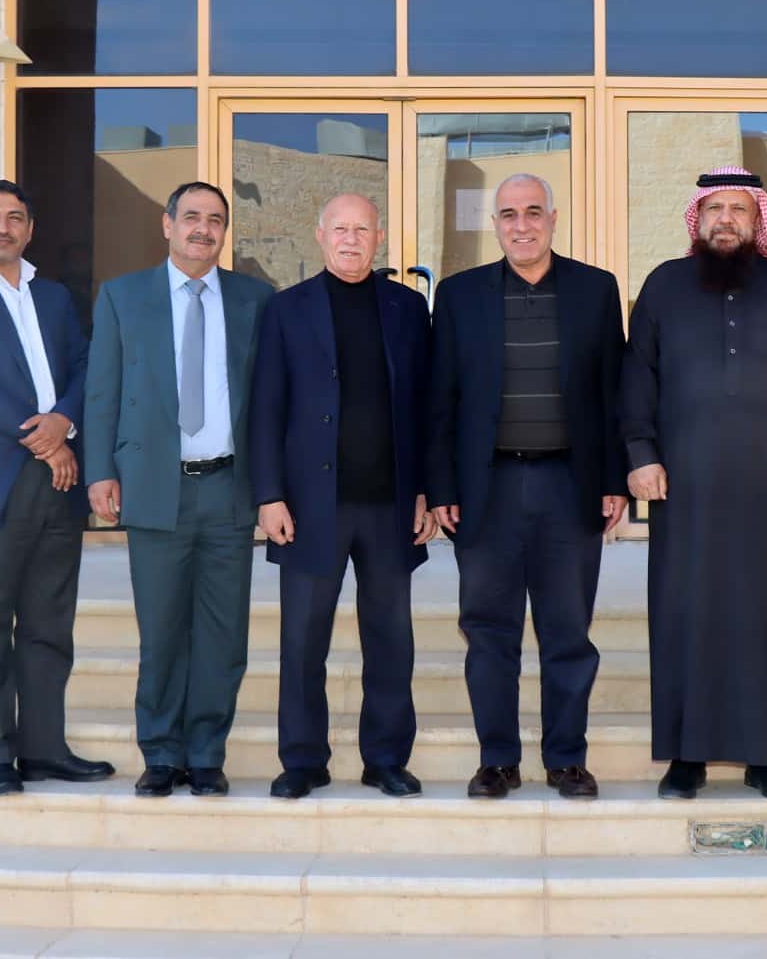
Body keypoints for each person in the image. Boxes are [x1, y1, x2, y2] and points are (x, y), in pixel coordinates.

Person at [621, 165, 767, 801]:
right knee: (684, 614)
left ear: (757, 220)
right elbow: (637, 378)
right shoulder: (664, 285)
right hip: (684, 486)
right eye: (714, 208)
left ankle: (762, 754)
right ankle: (685, 756)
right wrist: (640, 454)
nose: (725, 219)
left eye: (739, 209)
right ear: (697, 218)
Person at [426, 173, 628, 801]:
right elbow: (440, 400)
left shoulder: (596, 290)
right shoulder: (459, 296)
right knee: (490, 631)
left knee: (568, 631)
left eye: (533, 212)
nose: (522, 225)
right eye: (509, 214)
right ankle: (498, 760)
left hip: (570, 485)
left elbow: (614, 394)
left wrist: (615, 479)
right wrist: (441, 487)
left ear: (553, 219)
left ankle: (567, 759)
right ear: (495, 225)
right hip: (486, 489)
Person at [84, 181, 274, 798]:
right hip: (154, 487)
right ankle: (162, 753)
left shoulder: (255, 299)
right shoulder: (123, 296)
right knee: (162, 630)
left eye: (215, 219)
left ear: (225, 232)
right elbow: (102, 389)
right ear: (167, 225)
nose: (203, 229)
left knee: (223, 634)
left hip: (228, 488)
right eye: (191, 216)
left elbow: (271, 400)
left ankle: (207, 754)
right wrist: (99, 470)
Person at [0, 179, 114, 798]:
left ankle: (44, 749)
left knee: (50, 622)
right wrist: (48, 439)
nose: (2, 227)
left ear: (30, 229)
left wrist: (66, 421)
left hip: (58, 481)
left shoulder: (55, 297)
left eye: (14, 217)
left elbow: (86, 365)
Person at [249, 193, 436, 799]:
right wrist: (269, 495)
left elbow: (427, 406)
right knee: (303, 641)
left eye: (362, 229)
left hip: (390, 504)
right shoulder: (285, 309)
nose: (351, 239)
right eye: (340, 228)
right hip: (309, 507)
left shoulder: (409, 308)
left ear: (379, 238)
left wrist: (426, 490)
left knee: (391, 640)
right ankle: (303, 760)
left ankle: (386, 758)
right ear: (320, 234)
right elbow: (265, 406)